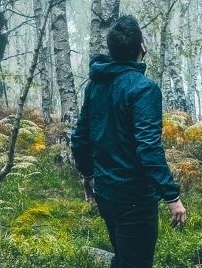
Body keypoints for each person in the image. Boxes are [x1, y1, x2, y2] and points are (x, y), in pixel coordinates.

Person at [70, 15, 186, 268]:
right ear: (142, 47)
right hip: (134, 198)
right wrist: (172, 197)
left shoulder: (96, 85)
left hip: (106, 193)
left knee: (125, 258)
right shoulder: (144, 89)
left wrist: (89, 175)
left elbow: (79, 138)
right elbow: (148, 148)